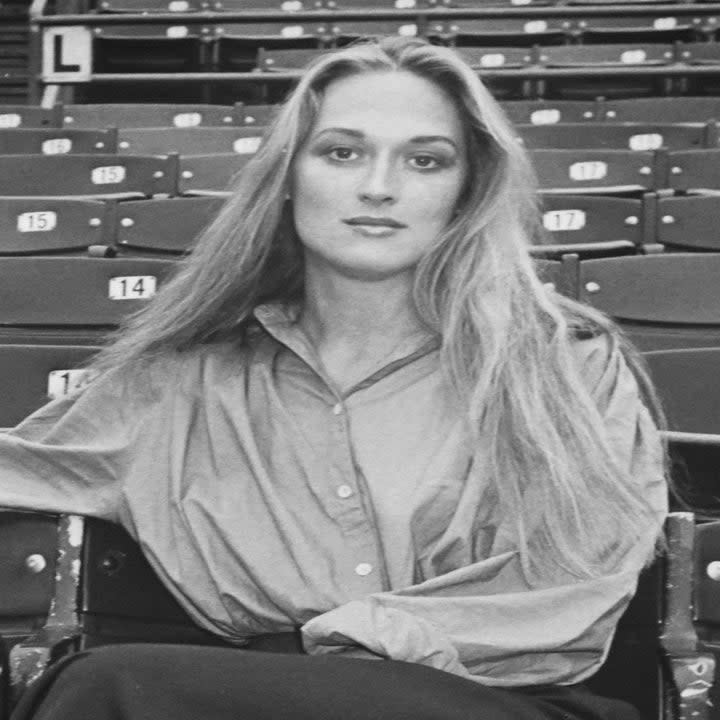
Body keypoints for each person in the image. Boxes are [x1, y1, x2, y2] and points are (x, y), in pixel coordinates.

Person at [2, 36, 666, 720]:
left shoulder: (565, 363)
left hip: (496, 704)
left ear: (467, 190)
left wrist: (342, 641)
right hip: (248, 698)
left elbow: (573, 589)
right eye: (342, 152)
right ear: (288, 175)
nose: (379, 187)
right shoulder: (180, 380)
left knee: (109, 689)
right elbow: (22, 470)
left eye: (425, 161)